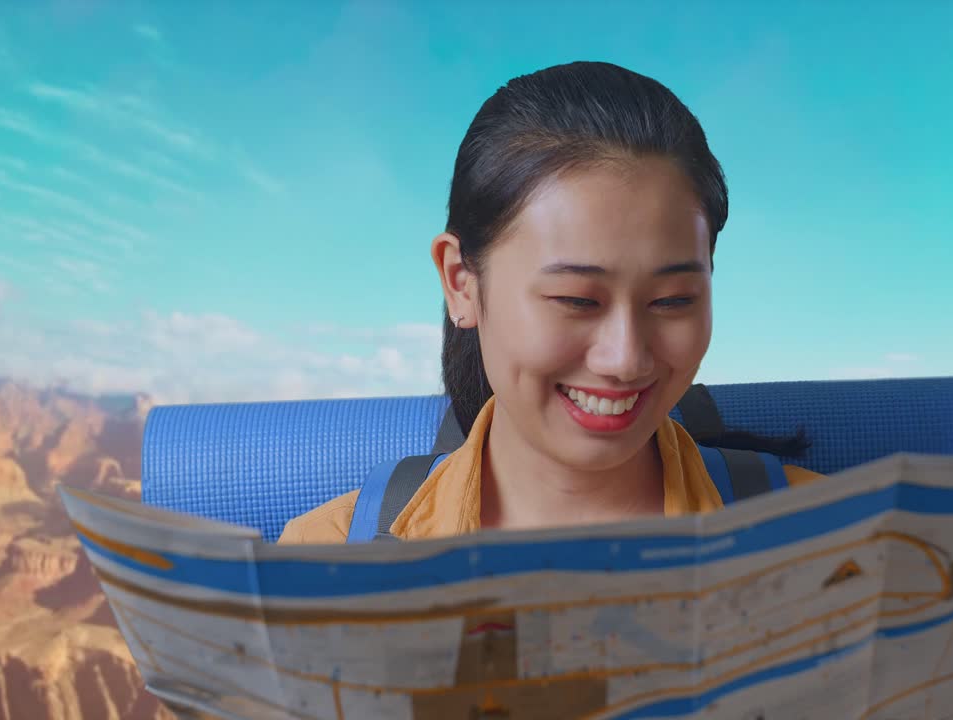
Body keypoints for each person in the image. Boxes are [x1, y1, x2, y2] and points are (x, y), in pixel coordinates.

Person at [278, 61, 821, 544]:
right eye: (576, 300)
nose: (626, 359)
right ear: (461, 282)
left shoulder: (827, 539)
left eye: (672, 300)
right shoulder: (323, 556)